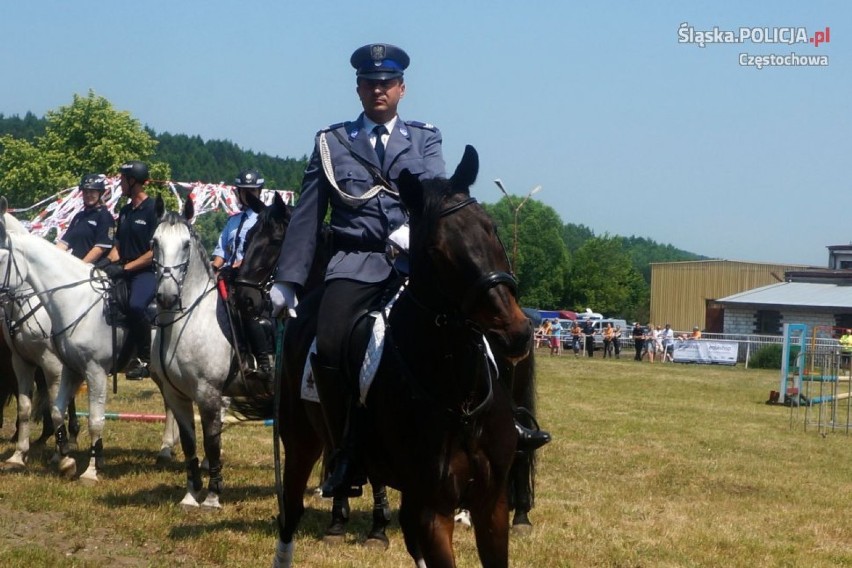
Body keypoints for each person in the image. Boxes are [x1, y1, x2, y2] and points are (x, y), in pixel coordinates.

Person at [269, 43, 551, 498]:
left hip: (413, 264)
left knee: (477, 324)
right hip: (353, 265)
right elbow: (307, 213)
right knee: (332, 343)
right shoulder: (332, 142)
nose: (378, 90)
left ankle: (508, 421)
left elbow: (434, 195)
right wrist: (289, 278)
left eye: (387, 83)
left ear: (402, 88)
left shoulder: (424, 138)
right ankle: (346, 452)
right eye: (370, 83)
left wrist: (412, 232)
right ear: (358, 88)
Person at [211, 169, 274, 381]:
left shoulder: (265, 220)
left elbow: (261, 253)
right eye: (243, 192)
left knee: (243, 307)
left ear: (259, 192)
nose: (247, 196)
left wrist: (239, 265)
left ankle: (261, 360)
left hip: (253, 280)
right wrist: (212, 267)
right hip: (228, 276)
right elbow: (221, 253)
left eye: (252, 192)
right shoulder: (233, 221)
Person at [102, 160, 157, 380]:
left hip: (146, 272)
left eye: (122, 180)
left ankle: (145, 360)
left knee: (136, 305)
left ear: (133, 181)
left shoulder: (153, 209)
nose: (120, 184)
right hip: (124, 269)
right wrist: (104, 265)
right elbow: (117, 247)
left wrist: (126, 267)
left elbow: (154, 252)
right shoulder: (124, 211)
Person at [56, 173, 114, 263]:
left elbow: (100, 248)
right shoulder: (79, 217)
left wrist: (81, 266)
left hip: (93, 269)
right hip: (76, 266)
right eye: (85, 192)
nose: (88, 195)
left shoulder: (105, 217)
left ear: (100, 193)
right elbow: (64, 243)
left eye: (92, 192)